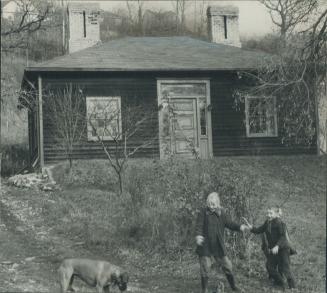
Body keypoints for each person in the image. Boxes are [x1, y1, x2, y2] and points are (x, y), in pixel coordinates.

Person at [195, 192, 250, 293]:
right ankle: (204, 289)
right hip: (205, 246)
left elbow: (230, 223)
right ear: (207, 203)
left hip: (218, 246)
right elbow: (199, 225)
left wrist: (240, 227)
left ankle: (234, 286)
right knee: (205, 267)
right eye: (209, 204)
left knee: (227, 265)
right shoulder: (203, 212)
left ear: (218, 203)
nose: (211, 206)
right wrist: (198, 236)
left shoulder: (222, 213)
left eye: (213, 204)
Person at [248, 207, 296, 290]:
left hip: (283, 248)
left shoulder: (280, 223)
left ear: (277, 214)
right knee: (269, 266)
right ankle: (280, 282)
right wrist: (251, 228)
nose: (268, 215)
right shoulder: (267, 222)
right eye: (267, 213)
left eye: (271, 213)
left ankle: (292, 287)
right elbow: (260, 230)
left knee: (285, 267)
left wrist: (277, 246)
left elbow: (283, 237)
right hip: (274, 249)